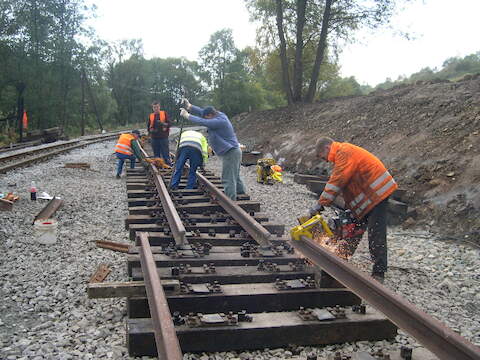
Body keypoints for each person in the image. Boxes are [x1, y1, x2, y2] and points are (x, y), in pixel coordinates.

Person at [314, 136, 398, 282]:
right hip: (369, 195)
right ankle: (342, 258)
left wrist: (320, 204)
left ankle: (379, 272)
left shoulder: (343, 151)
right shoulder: (343, 154)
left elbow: (338, 180)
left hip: (378, 192)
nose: (326, 161)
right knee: (354, 226)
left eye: (324, 157)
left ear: (327, 148)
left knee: (376, 232)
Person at [179, 100, 246, 200]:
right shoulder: (219, 115)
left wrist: (188, 116)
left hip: (231, 152)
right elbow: (203, 113)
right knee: (234, 175)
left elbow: (203, 121)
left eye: (206, 116)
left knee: (228, 178)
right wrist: (190, 106)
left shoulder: (219, 121)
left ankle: (230, 200)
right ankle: (241, 193)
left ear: (210, 115)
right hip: (233, 151)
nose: (205, 118)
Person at [147, 101, 171, 165]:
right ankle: (158, 165)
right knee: (156, 154)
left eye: (157, 107)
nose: (156, 109)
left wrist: (162, 123)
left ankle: (167, 164)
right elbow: (148, 127)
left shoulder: (164, 113)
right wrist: (151, 131)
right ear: (153, 108)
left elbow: (169, 123)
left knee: (165, 152)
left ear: (159, 107)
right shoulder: (151, 116)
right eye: (154, 107)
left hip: (163, 137)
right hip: (154, 138)